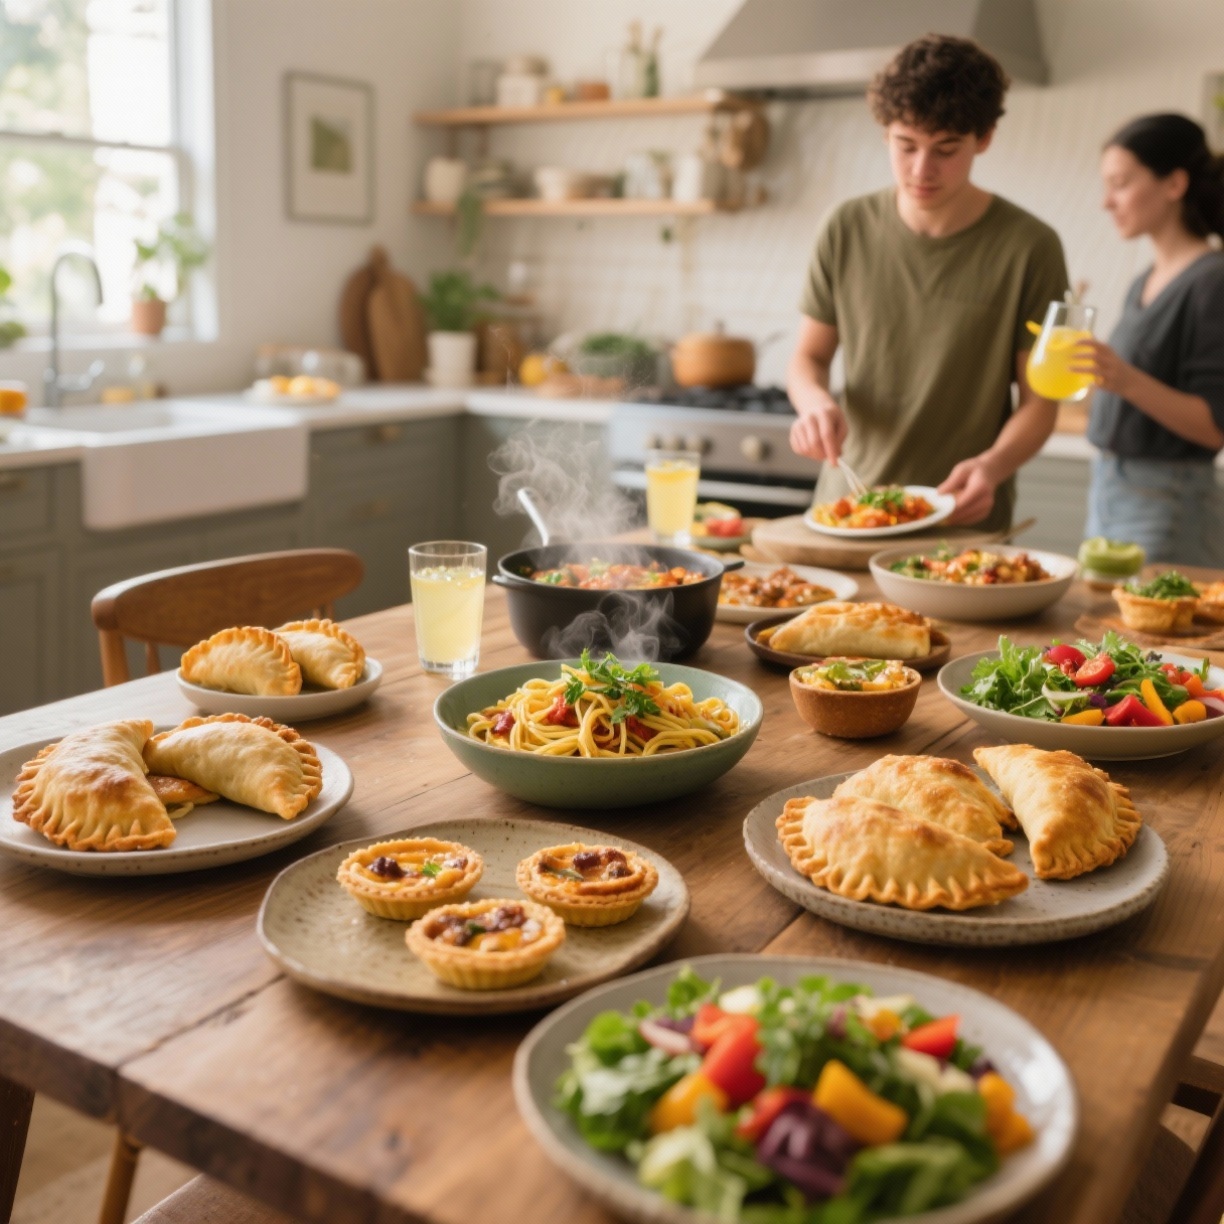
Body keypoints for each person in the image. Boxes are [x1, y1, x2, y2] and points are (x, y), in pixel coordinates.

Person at [787, 34, 1070, 530]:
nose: (922, 170)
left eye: (945, 149)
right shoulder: (844, 227)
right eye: (906, 146)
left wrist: (994, 466)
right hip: (850, 507)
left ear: (983, 139)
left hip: (962, 520)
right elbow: (808, 358)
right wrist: (814, 403)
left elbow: (1039, 404)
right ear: (884, 134)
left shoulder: (1031, 247)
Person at [1076, 113, 1224, 566]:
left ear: (1174, 184)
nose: (1107, 202)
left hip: (1168, 502)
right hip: (1110, 487)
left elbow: (1214, 424)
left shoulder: (1213, 280)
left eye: (1120, 183)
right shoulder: (1145, 279)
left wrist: (1124, 378)